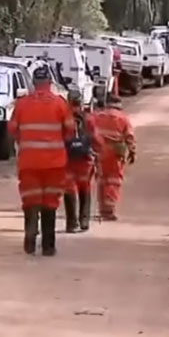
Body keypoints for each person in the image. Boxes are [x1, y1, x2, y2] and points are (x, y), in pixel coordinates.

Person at [8, 65, 74, 256]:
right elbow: (70, 132)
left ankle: (29, 239)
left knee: (31, 201)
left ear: (34, 83)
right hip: (54, 164)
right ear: (50, 83)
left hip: (29, 162)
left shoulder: (22, 104)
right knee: (50, 203)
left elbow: (12, 130)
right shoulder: (60, 104)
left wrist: (24, 140)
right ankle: (48, 245)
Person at [63, 90, 103, 232]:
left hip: (67, 160)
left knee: (69, 189)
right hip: (85, 160)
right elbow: (96, 139)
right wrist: (98, 153)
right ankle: (84, 220)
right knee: (84, 187)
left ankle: (71, 223)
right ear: (81, 102)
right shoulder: (89, 119)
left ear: (68, 102)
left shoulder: (64, 119)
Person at [93, 94, 136, 221]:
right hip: (115, 152)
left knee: (102, 179)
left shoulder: (98, 116)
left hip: (100, 151)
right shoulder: (123, 118)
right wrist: (132, 151)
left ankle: (102, 208)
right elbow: (129, 137)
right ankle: (109, 210)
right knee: (113, 180)